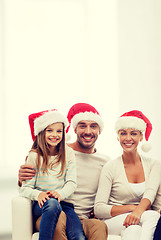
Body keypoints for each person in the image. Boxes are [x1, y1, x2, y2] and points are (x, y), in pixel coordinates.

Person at [18, 103, 109, 240]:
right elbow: (28, 183)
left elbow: (112, 193)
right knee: (59, 216)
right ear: (74, 129)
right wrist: (20, 179)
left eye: (93, 126)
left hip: (78, 215)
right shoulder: (56, 149)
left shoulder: (105, 162)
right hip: (51, 211)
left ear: (100, 130)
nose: (88, 131)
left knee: (99, 226)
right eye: (82, 125)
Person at [94, 110, 161, 240]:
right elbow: (99, 208)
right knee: (153, 216)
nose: (128, 138)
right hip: (112, 220)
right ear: (117, 137)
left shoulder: (154, 164)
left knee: (134, 230)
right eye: (123, 133)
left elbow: (150, 193)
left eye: (134, 133)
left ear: (141, 137)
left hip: (139, 219)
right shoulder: (110, 167)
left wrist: (137, 212)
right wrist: (132, 209)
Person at [19, 109, 85, 240]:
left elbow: (71, 183)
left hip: (65, 203)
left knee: (78, 236)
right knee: (52, 203)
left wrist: (60, 193)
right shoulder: (34, 156)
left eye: (59, 131)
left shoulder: (68, 153)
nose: (55, 135)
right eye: (50, 130)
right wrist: (39, 194)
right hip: (43, 205)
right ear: (41, 132)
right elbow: (25, 189)